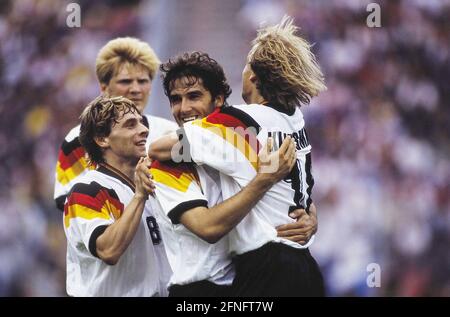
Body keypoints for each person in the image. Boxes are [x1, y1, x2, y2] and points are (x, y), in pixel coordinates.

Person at [152, 16, 326, 296]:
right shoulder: (296, 119)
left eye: (247, 65)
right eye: (176, 100)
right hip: (305, 266)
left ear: (255, 77)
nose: (184, 108)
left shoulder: (239, 122)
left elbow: (158, 148)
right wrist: (310, 216)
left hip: (266, 268)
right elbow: (300, 189)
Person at [64, 96, 171, 296]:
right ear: (102, 139)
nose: (144, 129)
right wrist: (139, 197)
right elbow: (108, 250)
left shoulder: (154, 182)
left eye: (141, 122)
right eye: (131, 125)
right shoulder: (87, 190)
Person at [54, 37, 177, 211]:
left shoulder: (170, 132)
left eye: (142, 81)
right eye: (125, 81)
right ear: (104, 88)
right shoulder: (79, 138)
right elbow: (66, 202)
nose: (135, 89)